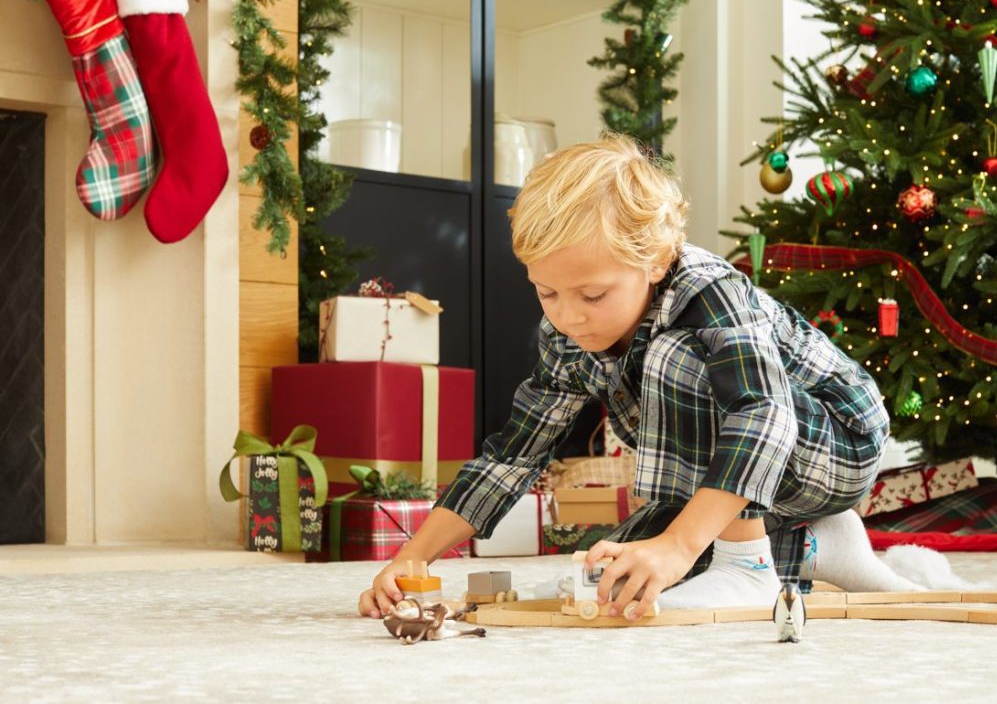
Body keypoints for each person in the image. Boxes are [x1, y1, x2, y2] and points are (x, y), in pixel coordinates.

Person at [358, 135, 892, 622]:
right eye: (547, 293)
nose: (569, 316)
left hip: (835, 442)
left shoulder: (710, 291)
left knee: (674, 362)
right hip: (756, 477)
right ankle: (825, 546)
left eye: (592, 295)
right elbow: (512, 454)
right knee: (624, 565)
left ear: (657, 260)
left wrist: (680, 546)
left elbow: (764, 414)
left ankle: (746, 568)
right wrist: (410, 559)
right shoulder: (566, 334)